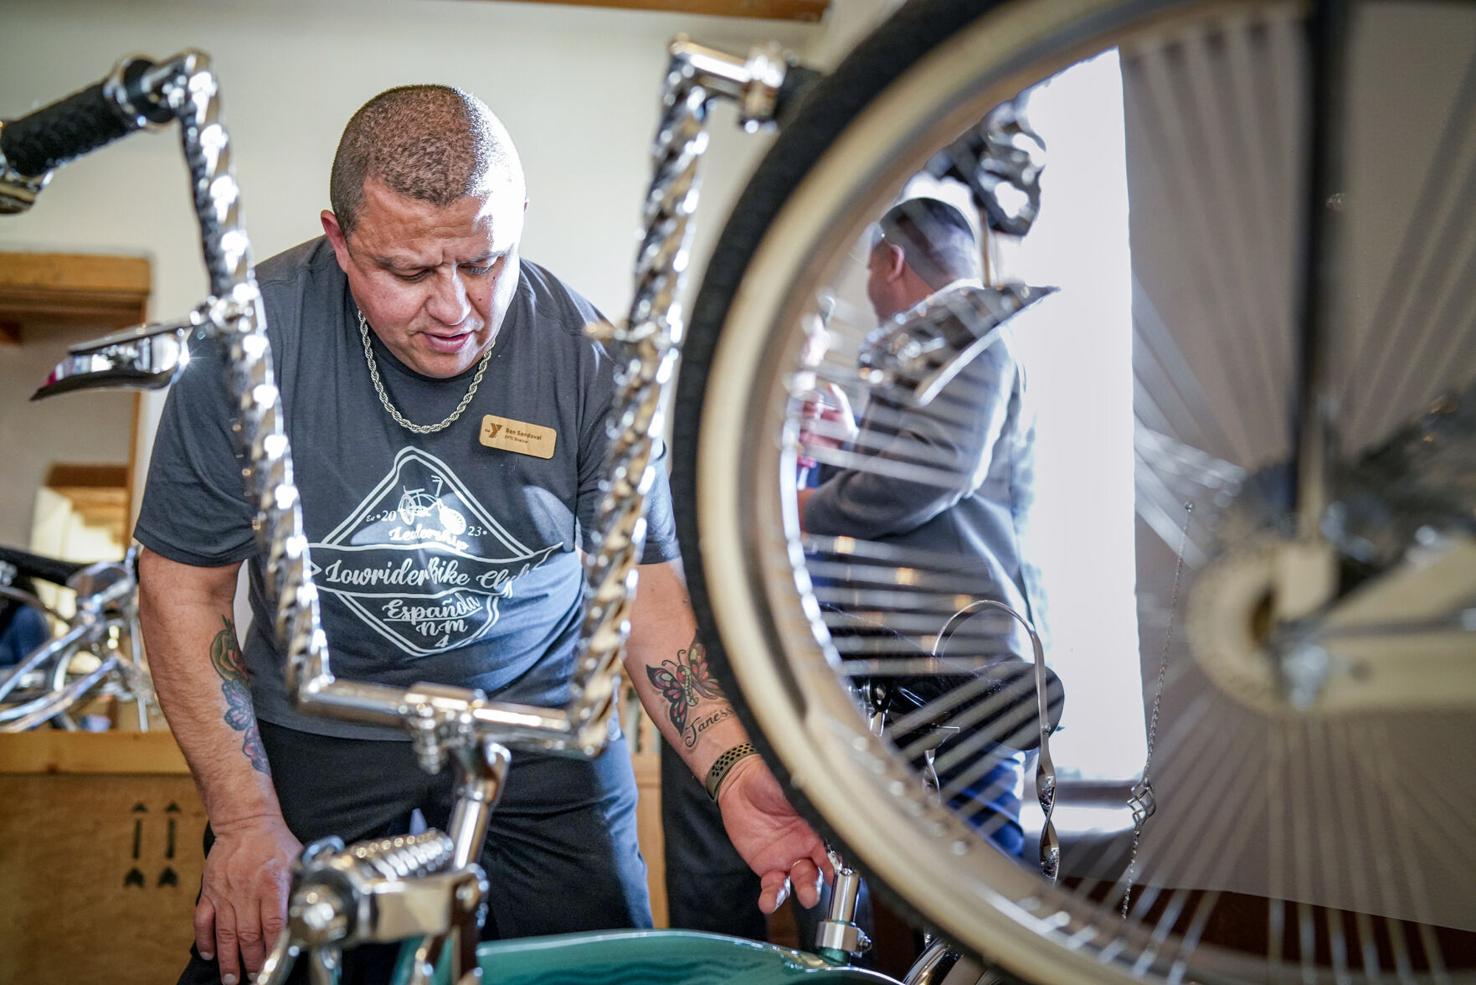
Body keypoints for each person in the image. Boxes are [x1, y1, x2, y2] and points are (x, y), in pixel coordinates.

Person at [134, 85, 828, 985]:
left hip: (541, 732)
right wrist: (243, 818)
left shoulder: (592, 364)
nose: (455, 307)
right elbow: (183, 587)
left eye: (483, 261)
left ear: (518, 220)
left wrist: (732, 767)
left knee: (600, 972)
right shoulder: (247, 347)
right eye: (410, 271)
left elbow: (646, 600)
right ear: (339, 240)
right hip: (324, 729)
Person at [796, 195, 1048, 856]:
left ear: (892, 261)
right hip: (919, 655)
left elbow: (938, 472)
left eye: (870, 271)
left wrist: (805, 508)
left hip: (962, 656)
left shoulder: (970, 336)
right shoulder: (946, 341)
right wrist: (851, 445)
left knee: (976, 870)